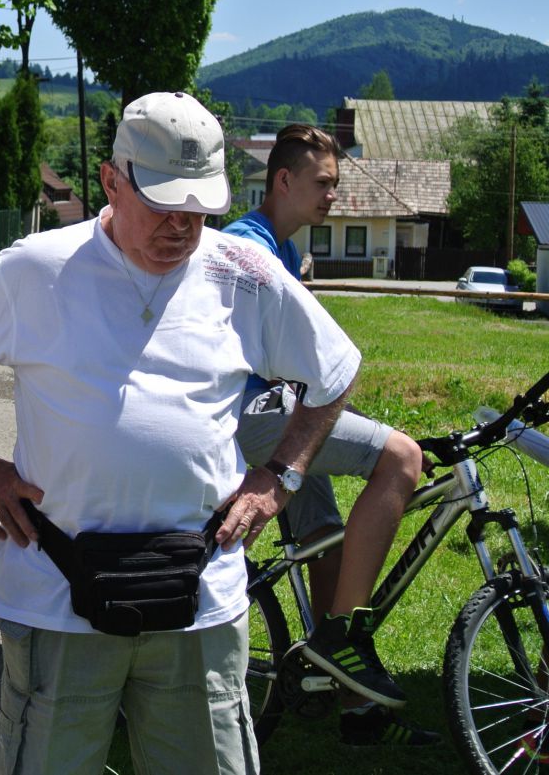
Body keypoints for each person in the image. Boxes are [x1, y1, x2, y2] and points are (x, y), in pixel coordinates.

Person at [0, 91, 359, 775]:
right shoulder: (37, 269)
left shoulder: (242, 273)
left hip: (202, 602)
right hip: (58, 600)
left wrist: (281, 476)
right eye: (162, 204)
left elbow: (333, 371)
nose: (181, 226)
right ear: (111, 180)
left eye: (198, 209)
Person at [224, 124, 438, 746]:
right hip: (250, 418)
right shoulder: (250, 248)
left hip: (280, 412)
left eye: (335, 184)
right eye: (323, 183)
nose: (333, 196)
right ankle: (342, 638)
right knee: (401, 458)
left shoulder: (282, 250)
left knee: (324, 539)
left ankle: (352, 704)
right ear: (282, 180)